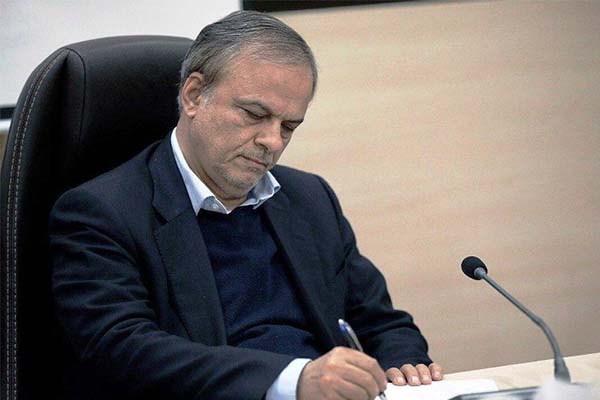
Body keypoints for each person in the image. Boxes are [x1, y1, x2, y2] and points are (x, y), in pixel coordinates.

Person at [49, 10, 443, 400]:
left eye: (289, 126)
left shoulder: (309, 198)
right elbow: (124, 350)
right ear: (193, 95)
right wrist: (293, 381)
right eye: (255, 115)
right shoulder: (101, 213)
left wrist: (403, 364)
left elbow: (380, 322)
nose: (273, 141)